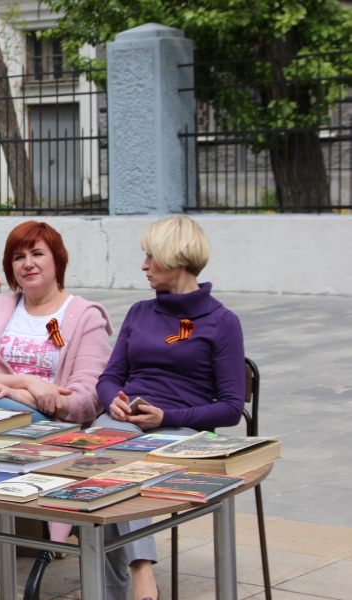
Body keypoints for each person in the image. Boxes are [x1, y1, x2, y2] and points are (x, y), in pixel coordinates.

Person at [0, 221, 114, 600]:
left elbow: (85, 401)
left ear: (57, 261)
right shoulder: (0, 307)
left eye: (37, 254)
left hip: (50, 432)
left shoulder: (84, 316)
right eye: (18, 256)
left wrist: (21, 394)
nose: (27, 263)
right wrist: (26, 383)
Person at [94, 215, 246, 600]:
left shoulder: (222, 321)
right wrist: (113, 401)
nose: (144, 266)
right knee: (102, 456)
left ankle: (135, 581)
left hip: (181, 430)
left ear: (176, 258)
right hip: (127, 423)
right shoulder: (139, 312)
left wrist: (167, 417)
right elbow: (109, 377)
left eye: (151, 257)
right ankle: (142, 579)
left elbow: (231, 408)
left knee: (122, 462)